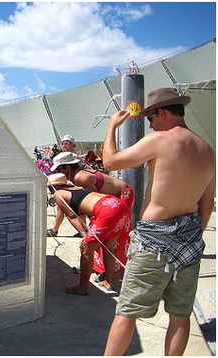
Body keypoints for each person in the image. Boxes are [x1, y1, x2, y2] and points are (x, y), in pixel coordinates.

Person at [103, 88, 216, 356]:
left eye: (150, 119)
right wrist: (190, 236)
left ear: (162, 113)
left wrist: (111, 128)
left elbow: (109, 162)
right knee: (180, 314)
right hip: (189, 240)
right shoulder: (207, 149)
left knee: (127, 310)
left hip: (154, 241)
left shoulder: (160, 140)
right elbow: (207, 203)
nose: (150, 125)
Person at [51, 151, 134, 284]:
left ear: (67, 167)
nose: (60, 172)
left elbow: (90, 204)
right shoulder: (77, 176)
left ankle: (99, 274)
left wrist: (85, 233)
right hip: (113, 202)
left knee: (95, 243)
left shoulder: (79, 178)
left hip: (119, 197)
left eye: (60, 169)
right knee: (107, 241)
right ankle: (105, 273)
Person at [47, 136, 83, 238]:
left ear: (73, 144)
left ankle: (82, 230)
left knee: (78, 208)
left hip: (72, 185)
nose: (64, 145)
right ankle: (56, 229)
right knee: (61, 207)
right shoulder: (62, 156)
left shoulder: (75, 158)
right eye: (63, 143)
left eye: (67, 143)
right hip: (66, 185)